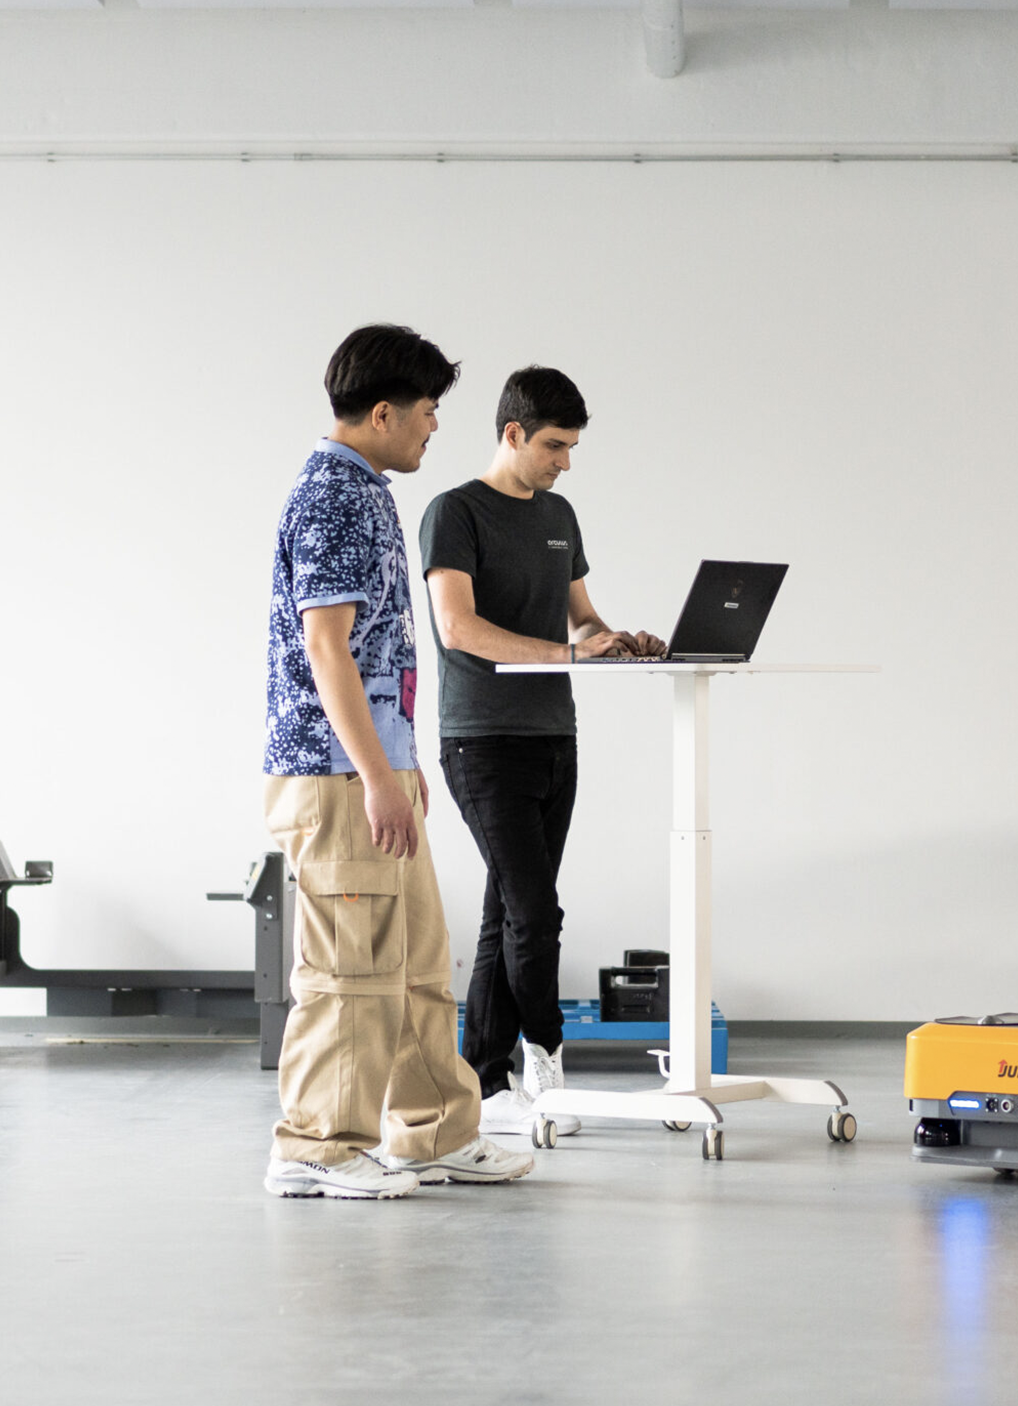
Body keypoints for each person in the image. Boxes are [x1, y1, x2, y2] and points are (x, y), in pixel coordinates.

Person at [262, 324, 535, 1198]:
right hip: (341, 773)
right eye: (427, 413)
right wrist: (379, 777)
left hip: (383, 769)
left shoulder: (365, 488)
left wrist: (399, 773)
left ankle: (434, 1134)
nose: (433, 429)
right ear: (382, 413)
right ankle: (316, 1152)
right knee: (348, 976)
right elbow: (325, 649)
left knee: (417, 963)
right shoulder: (335, 498)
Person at [418, 366, 666, 1137]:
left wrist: (615, 642)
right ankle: (546, 1059)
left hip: (555, 739)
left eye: (574, 447)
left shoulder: (561, 514)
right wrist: (568, 655)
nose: (565, 461)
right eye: (556, 445)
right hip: (482, 741)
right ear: (513, 433)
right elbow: (457, 628)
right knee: (535, 910)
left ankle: (483, 1086)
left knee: (506, 909)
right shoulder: (453, 512)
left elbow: (582, 619)